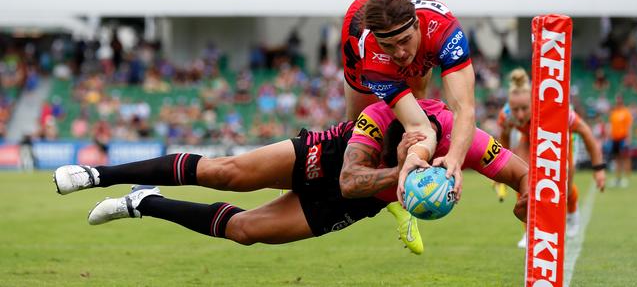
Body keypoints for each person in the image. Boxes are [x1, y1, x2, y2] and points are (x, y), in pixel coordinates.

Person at [53, 99, 527, 246]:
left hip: (355, 204)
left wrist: (530, 202)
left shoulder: (464, 143)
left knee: (244, 231)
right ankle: (98, 175)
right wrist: (402, 172)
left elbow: (523, 173)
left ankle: (143, 202)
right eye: (411, 139)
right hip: (333, 158)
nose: (416, 144)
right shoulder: (382, 116)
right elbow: (349, 176)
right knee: (226, 171)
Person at [341, 0, 476, 253]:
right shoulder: (372, 49)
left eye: (404, 41)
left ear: (417, 26)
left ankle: (406, 180)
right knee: (358, 124)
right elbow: (416, 125)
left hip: (417, 9)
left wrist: (454, 160)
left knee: (419, 98)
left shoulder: (444, 30)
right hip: (357, 28)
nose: (400, 53)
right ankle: (393, 200)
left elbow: (464, 109)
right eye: (390, 45)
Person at [498, 69, 606, 247]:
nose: (519, 115)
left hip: (557, 137)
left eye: (524, 109)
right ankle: (529, 232)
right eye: (515, 109)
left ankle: (572, 212)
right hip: (528, 137)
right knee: (522, 178)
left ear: (534, 102)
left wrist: (599, 169)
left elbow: (587, 133)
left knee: (566, 185)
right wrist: (501, 172)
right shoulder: (507, 116)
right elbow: (504, 138)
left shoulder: (557, 111)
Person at [608, 95, 633, 187]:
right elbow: (611, 126)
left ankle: (625, 178)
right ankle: (618, 178)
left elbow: (628, 126)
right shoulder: (614, 112)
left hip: (623, 138)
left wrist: (628, 138)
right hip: (615, 139)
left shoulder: (626, 112)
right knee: (617, 158)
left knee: (624, 158)